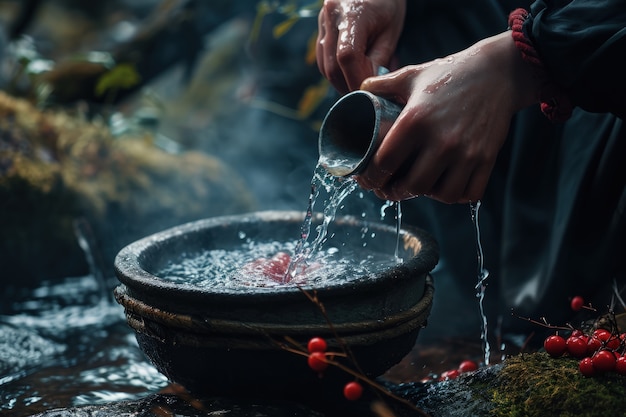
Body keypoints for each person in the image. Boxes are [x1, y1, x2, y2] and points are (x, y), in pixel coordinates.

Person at [315, 0, 626, 346]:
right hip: (510, 43)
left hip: (601, 77)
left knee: (589, 318)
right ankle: (506, 323)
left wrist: (514, 64)